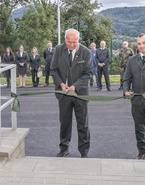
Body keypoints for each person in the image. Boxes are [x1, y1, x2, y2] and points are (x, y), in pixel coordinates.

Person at [51, 29, 93, 158]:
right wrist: (61, 84)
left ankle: (84, 151)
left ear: (78, 40)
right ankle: (64, 148)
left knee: (83, 123)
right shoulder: (58, 50)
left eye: (74, 42)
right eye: (69, 42)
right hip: (63, 93)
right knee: (65, 122)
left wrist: (75, 86)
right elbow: (53, 69)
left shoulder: (86, 52)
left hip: (80, 94)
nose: (72, 45)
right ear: (65, 40)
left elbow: (88, 73)